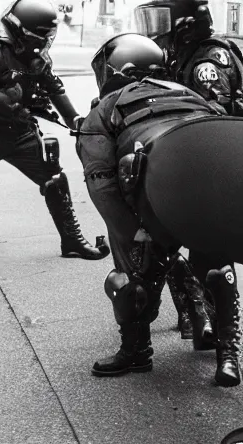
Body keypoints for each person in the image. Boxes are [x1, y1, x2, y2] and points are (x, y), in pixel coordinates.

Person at [77, 34, 239, 384]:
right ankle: (229, 355)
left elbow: (102, 184)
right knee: (215, 262)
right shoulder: (190, 93)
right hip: (210, 190)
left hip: (151, 200)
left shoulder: (104, 108)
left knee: (125, 279)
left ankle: (136, 352)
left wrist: (134, 235)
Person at [0, 0, 108, 262]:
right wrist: (11, 105)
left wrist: (77, 121)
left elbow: (55, 89)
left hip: (21, 134)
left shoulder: (37, 59)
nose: (47, 40)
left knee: (55, 180)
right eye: (42, 35)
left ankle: (72, 240)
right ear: (23, 33)